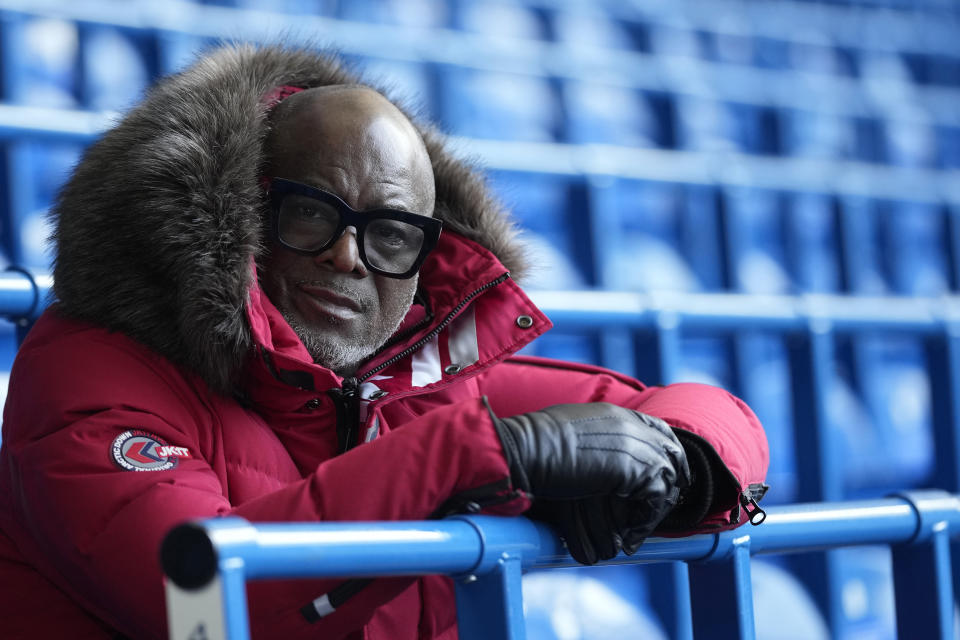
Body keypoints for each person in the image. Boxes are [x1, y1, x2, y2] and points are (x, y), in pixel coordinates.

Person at [0, 44, 768, 640]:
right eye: (310, 214)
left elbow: (706, 411)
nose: (348, 256)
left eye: (390, 234)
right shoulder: (88, 367)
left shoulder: (419, 378)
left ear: (424, 262)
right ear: (236, 215)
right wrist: (485, 454)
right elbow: (192, 597)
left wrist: (681, 466)